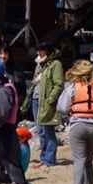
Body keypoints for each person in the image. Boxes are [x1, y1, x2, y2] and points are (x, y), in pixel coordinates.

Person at [24, 39, 63, 168]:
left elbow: (59, 84)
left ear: (47, 50)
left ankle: (50, 160)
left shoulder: (56, 64)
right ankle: (44, 158)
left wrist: (50, 99)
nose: (38, 52)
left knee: (48, 130)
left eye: (40, 50)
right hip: (36, 99)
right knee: (41, 130)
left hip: (46, 101)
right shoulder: (40, 64)